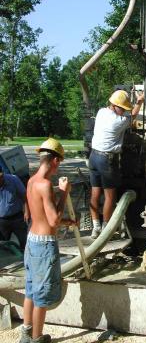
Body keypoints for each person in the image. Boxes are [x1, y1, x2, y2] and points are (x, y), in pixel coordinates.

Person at [20, 138, 77, 343]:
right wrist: (63, 193)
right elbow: (53, 220)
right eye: (59, 163)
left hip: (32, 241)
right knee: (41, 297)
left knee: (30, 290)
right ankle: (37, 338)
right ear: (54, 161)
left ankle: (26, 334)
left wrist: (68, 221)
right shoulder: (45, 185)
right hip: (44, 245)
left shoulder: (32, 181)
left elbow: (42, 217)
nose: (58, 168)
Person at [89, 89, 144, 239]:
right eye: (122, 108)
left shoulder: (101, 112)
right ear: (114, 105)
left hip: (93, 156)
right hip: (106, 160)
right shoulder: (118, 121)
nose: (123, 111)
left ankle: (96, 228)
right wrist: (139, 102)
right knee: (110, 196)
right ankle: (107, 230)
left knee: (95, 193)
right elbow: (132, 116)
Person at [0, 165, 29, 251]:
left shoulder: (13, 179)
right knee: (3, 245)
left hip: (17, 217)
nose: (1, 179)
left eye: (1, 177)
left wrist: (27, 212)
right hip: (1, 221)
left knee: (25, 241)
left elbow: (25, 196)